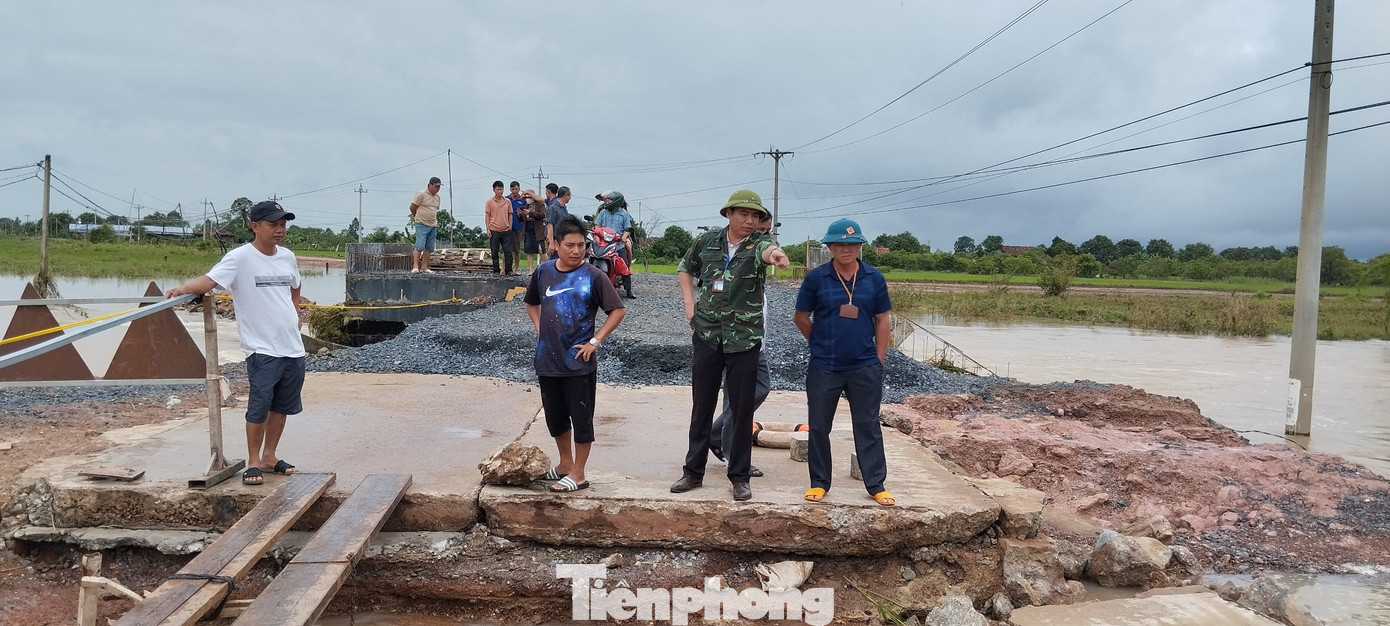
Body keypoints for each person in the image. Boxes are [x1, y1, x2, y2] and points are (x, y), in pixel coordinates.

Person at [166, 200, 305, 487]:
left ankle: (270, 456)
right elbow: (209, 282)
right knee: (259, 404)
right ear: (255, 226)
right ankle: (253, 461)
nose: (280, 230)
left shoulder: (287, 257)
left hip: (292, 346)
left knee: (282, 405)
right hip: (261, 348)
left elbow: (295, 286)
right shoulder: (239, 258)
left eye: (283, 224)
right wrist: (182, 289)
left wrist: (295, 313)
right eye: (273, 224)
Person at [670, 190, 789, 502]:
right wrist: (688, 303)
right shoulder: (707, 242)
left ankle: (739, 476)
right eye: (743, 214)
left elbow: (768, 250)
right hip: (708, 334)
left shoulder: (759, 242)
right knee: (702, 404)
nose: (749, 221)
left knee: (741, 407)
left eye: (754, 216)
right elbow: (685, 267)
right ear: (729, 214)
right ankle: (692, 472)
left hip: (744, 339)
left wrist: (776, 255)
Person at [793, 218, 895, 507]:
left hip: (864, 365)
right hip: (824, 365)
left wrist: (879, 359)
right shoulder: (816, 278)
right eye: (839, 244)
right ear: (830, 247)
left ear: (860, 246)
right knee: (819, 426)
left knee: (867, 425)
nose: (845, 249)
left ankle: (876, 484)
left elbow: (882, 319)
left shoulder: (874, 278)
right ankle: (819, 482)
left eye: (851, 244)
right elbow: (801, 317)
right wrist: (818, 342)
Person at [524, 214, 627, 493]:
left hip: (579, 363)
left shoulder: (594, 276)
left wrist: (595, 341)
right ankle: (565, 464)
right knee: (555, 417)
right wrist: (539, 329)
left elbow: (617, 310)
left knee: (581, 418)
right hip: (548, 360)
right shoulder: (544, 272)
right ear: (555, 244)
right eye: (570, 245)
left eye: (581, 245)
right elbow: (531, 302)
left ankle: (579, 474)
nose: (576, 251)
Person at [708, 211, 775, 477]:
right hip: (736, 340)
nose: (768, 235)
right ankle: (731, 453)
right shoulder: (734, 254)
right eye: (764, 230)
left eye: (770, 230)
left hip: (755, 340)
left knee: (759, 388)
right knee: (736, 397)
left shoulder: (759, 252)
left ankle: (716, 434)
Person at [592, 190, 637, 298]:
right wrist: (597, 235)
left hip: (618, 244)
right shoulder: (603, 212)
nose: (606, 201)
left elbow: (627, 229)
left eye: (609, 200)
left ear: (616, 201)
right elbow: (597, 225)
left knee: (624, 264)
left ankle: (628, 289)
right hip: (603, 242)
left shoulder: (624, 214)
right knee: (590, 257)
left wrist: (624, 237)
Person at [409, 176, 442, 273]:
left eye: (439, 186)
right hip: (421, 223)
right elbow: (412, 207)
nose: (438, 188)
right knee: (419, 245)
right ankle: (415, 266)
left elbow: (435, 210)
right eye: (436, 186)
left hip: (433, 224)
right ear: (430, 185)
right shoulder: (421, 194)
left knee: (429, 247)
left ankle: (424, 267)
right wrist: (417, 217)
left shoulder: (437, 198)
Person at [484, 180, 515, 276]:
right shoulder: (489, 202)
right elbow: (487, 216)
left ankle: (509, 270)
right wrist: (488, 229)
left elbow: (510, 214)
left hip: (506, 230)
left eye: (501, 189)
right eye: (498, 189)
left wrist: (510, 226)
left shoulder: (507, 201)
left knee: (508, 251)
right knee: (494, 251)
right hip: (494, 230)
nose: (500, 192)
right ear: (494, 190)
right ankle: (496, 270)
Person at [545, 186, 572, 260]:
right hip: (555, 239)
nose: (570, 198)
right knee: (555, 261)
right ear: (566, 195)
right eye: (569, 195)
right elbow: (550, 225)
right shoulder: (553, 207)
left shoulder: (564, 208)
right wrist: (551, 243)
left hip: (563, 239)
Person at [508, 181, 529, 274]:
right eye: (512, 189)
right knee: (506, 250)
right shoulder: (506, 200)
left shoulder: (523, 201)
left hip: (518, 227)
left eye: (516, 189)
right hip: (507, 227)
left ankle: (516, 269)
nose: (514, 191)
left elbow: (527, 214)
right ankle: (505, 268)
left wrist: (521, 214)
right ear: (510, 189)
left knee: (516, 250)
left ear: (519, 189)